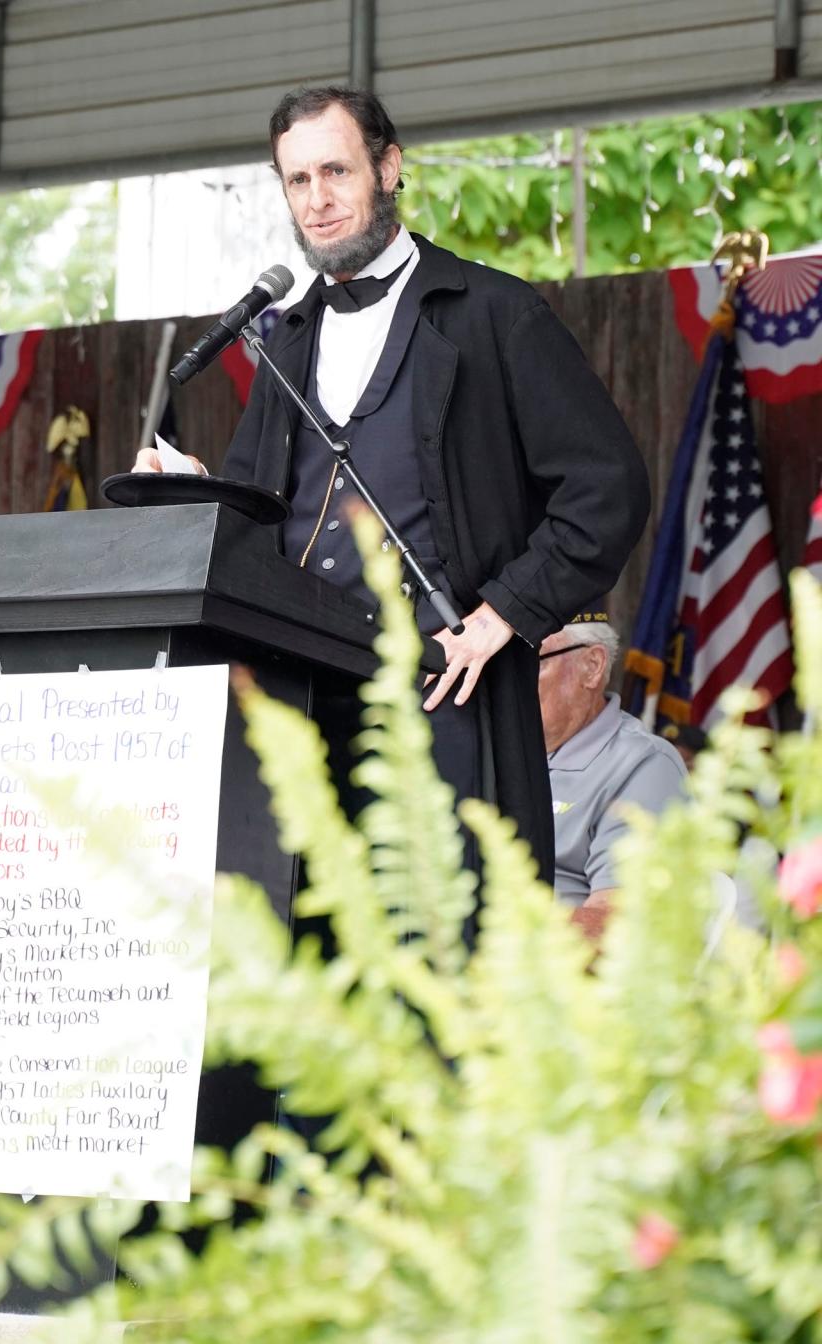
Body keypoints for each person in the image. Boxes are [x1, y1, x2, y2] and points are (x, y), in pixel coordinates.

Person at [136, 85, 651, 883]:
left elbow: (606, 488)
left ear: (388, 167)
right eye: (297, 181)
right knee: (314, 951)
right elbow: (258, 520)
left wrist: (501, 617)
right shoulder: (288, 341)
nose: (318, 199)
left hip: (444, 697)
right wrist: (194, 489)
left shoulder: (495, 315)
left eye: (336, 171)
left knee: (439, 957)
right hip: (302, 694)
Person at [538, 612, 686, 931]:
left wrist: (499, 931)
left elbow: (618, 925)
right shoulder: (495, 750)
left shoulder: (643, 764)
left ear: (592, 666)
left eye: (530, 663)